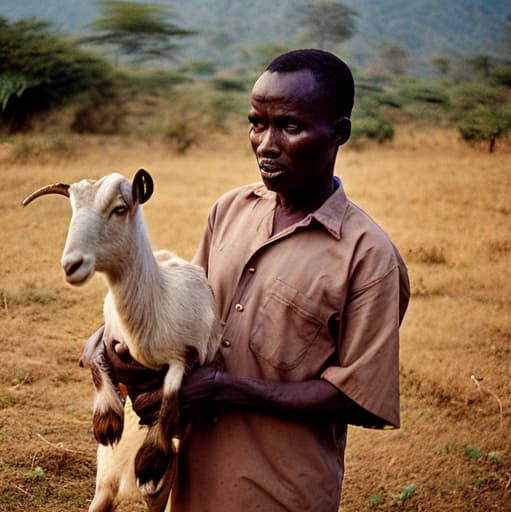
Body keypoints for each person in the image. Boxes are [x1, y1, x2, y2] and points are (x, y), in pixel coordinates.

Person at [83, 49, 410, 511]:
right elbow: (185, 315)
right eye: (257, 123)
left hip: (280, 493)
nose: (265, 144)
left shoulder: (369, 256)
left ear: (339, 133)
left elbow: (358, 398)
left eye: (289, 127)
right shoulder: (229, 211)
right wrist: (105, 344)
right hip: (193, 484)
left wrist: (224, 389)